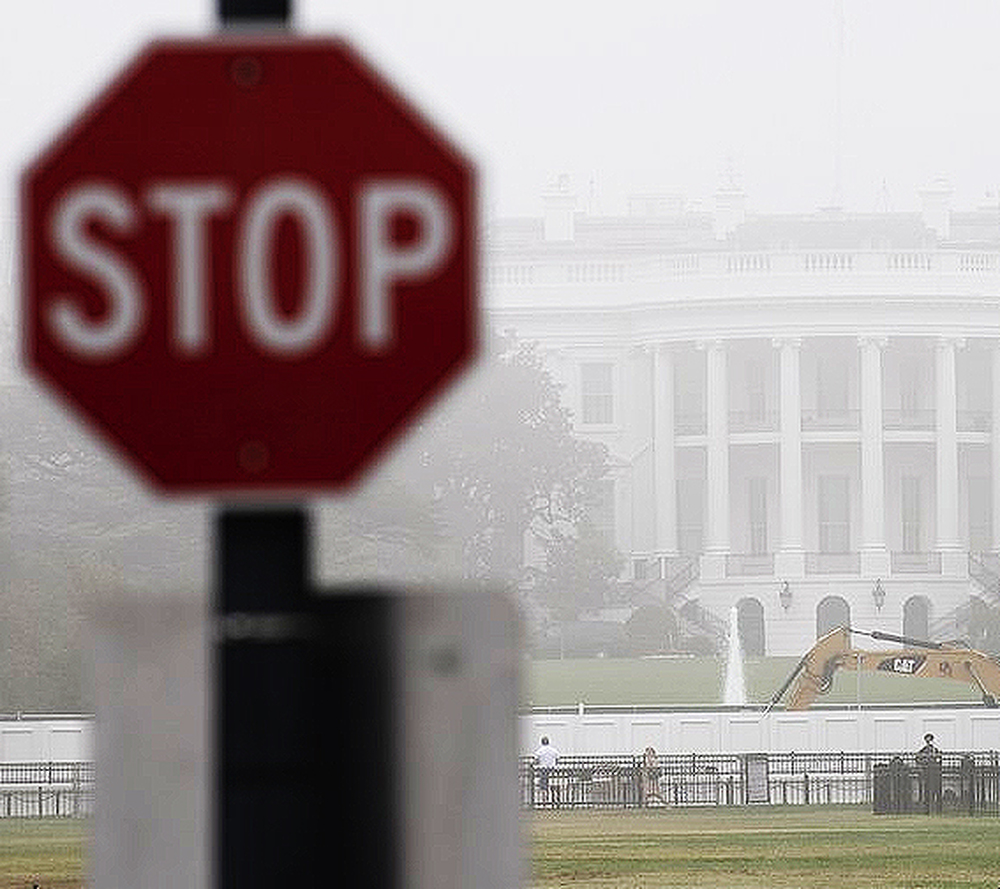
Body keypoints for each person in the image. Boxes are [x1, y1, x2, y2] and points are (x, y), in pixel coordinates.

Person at [534, 736, 560, 805]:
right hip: (552, 769)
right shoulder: (553, 750)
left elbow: (536, 759)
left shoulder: (539, 751)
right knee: (553, 785)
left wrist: (539, 763)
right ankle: (555, 800)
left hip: (543, 769)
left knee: (543, 786)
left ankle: (544, 801)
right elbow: (558, 757)